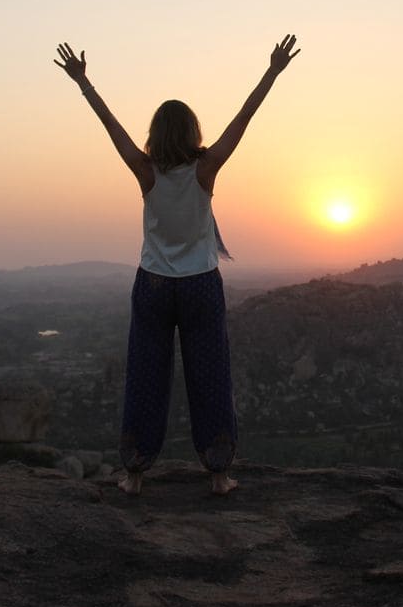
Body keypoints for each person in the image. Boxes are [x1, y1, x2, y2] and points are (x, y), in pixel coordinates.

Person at [53, 35, 301, 495]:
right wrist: (272, 72)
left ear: (156, 134)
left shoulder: (145, 172)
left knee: (146, 374)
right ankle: (219, 475)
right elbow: (241, 121)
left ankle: (133, 474)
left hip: (153, 285)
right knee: (210, 375)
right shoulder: (204, 172)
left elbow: (112, 129)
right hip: (200, 285)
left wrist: (84, 84)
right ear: (191, 133)